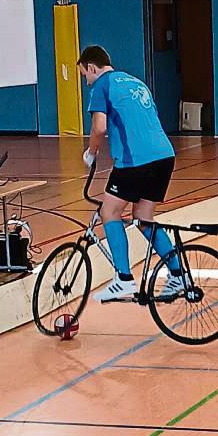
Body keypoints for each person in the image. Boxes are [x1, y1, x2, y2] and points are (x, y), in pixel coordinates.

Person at [78, 45, 183, 301]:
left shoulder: (102, 85)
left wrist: (91, 153)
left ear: (92, 67)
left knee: (110, 212)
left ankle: (123, 279)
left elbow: (100, 127)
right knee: (144, 217)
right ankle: (178, 274)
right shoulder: (136, 82)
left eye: (85, 76)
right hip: (164, 156)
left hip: (135, 160)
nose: (87, 82)